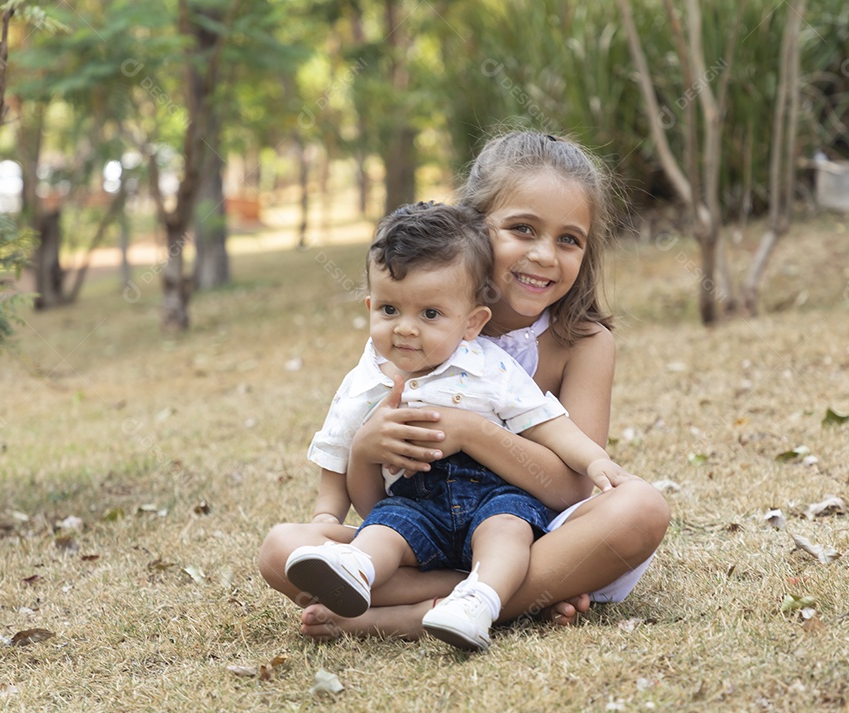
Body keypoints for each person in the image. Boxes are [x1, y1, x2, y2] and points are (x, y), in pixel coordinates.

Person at [259, 130, 670, 642]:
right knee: (283, 548)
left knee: (642, 508)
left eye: (569, 239)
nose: (544, 255)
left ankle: (409, 616)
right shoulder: (414, 335)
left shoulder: (582, 341)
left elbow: (572, 489)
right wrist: (365, 448)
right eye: (522, 229)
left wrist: (470, 431)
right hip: (422, 532)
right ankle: (492, 595)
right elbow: (380, 510)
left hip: (535, 532)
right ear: (473, 227)